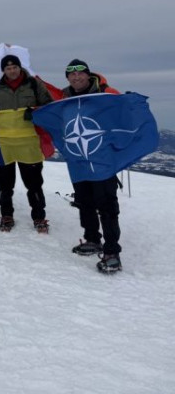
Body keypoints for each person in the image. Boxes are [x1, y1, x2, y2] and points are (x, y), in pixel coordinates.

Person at [61, 59, 124, 273]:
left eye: (80, 73)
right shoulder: (65, 98)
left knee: (107, 205)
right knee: (85, 202)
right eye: (72, 74)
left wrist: (128, 103)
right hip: (79, 161)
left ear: (88, 75)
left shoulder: (106, 92)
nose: (76, 77)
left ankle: (112, 252)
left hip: (103, 160)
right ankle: (92, 239)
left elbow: (122, 116)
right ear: (68, 78)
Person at [0, 55, 54, 233]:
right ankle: (6, 215)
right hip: (6, 142)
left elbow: (48, 105)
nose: (12, 71)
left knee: (34, 183)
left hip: (29, 141)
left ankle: (39, 217)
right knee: (5, 183)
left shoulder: (33, 84)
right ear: (4, 71)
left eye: (14, 67)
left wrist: (35, 111)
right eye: (8, 68)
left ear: (19, 67)